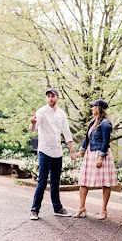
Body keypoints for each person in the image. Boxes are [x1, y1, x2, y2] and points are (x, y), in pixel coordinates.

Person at [29, 88, 77, 220]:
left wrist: (72, 152)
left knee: (56, 181)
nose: (50, 98)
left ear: (58, 97)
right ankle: (34, 210)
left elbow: (67, 132)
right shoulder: (41, 112)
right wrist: (32, 124)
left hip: (58, 151)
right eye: (48, 96)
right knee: (42, 181)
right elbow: (34, 129)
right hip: (45, 151)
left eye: (52, 96)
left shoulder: (61, 114)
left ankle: (57, 208)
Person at [72, 99, 117, 220]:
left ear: (99, 108)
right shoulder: (93, 122)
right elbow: (86, 140)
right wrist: (79, 153)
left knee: (106, 183)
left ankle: (103, 210)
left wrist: (101, 157)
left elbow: (106, 142)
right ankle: (81, 208)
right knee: (83, 181)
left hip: (101, 155)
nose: (92, 109)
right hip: (90, 154)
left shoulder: (106, 124)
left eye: (93, 107)